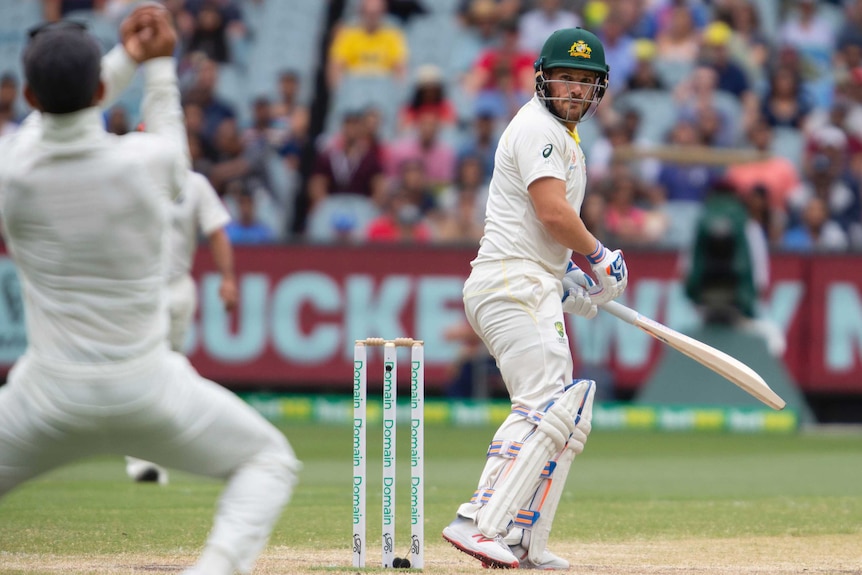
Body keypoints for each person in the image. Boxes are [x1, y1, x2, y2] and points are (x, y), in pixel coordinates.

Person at [0, 8, 299, 575]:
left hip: (44, 399)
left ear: (31, 100)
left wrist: (129, 58)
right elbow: (166, 131)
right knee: (268, 460)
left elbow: (58, 113)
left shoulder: (10, 167)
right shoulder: (149, 163)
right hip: (148, 388)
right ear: (98, 92)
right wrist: (155, 61)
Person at [441, 28, 628, 570]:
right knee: (545, 404)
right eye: (566, 77)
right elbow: (551, 212)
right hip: (511, 282)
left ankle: (525, 539)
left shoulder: (561, 137)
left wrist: (566, 275)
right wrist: (597, 257)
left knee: (565, 415)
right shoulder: (540, 128)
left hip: (527, 279)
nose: (574, 89)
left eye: (585, 81)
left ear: (599, 90)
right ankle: (479, 520)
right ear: (543, 77)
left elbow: (539, 229)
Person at [125, 170, 237, 485]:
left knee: (170, 371)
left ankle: (160, 451)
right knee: (147, 369)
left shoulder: (194, 184)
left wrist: (228, 278)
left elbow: (216, 231)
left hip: (178, 287)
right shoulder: (128, 174)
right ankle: (143, 458)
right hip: (140, 288)